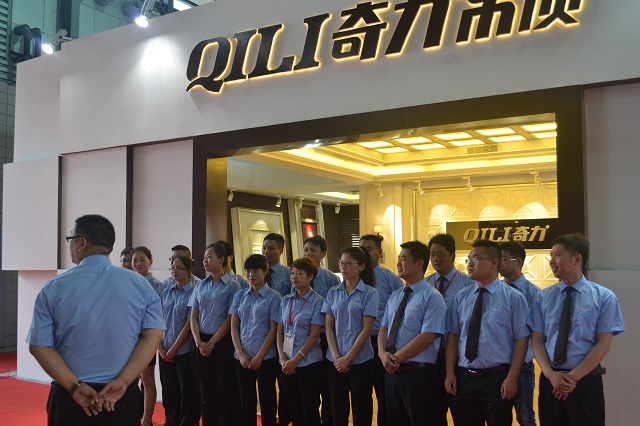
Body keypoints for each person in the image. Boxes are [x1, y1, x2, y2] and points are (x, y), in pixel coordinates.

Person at [27, 214, 164, 426]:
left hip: (70, 398)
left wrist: (74, 386)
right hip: (121, 398)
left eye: (70, 239)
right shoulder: (141, 286)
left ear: (82, 242)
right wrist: (123, 381)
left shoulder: (53, 288)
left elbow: (39, 346)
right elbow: (153, 337)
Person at [528, 234, 624, 426]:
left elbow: (603, 344)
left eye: (557, 255)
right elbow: (537, 339)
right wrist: (551, 375)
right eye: (551, 256)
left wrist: (571, 378)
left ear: (576, 258)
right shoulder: (542, 297)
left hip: (585, 381)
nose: (551, 261)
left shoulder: (604, 297)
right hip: (551, 381)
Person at [445, 239, 530, 426]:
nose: (470, 264)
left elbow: (522, 340)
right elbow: (453, 336)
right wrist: (450, 372)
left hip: (497, 378)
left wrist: (512, 378)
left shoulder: (513, 298)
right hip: (464, 378)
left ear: (493, 263)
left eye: (476, 258)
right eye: (468, 259)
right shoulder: (461, 297)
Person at [378, 241, 447, 425]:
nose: (398, 263)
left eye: (403, 259)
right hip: (392, 373)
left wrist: (396, 358)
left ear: (419, 263)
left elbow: (427, 336)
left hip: (418, 375)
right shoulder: (396, 295)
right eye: (398, 259)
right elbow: (384, 328)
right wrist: (383, 354)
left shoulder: (432, 297)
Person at [322, 247, 379, 426]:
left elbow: (366, 329)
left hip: (360, 360)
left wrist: (348, 358)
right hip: (334, 360)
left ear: (361, 266)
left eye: (348, 263)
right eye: (341, 263)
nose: (343, 267)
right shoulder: (333, 292)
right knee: (337, 407)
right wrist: (336, 356)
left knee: (361, 407)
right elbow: (328, 326)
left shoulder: (370, 293)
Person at [189, 243, 242, 426]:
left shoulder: (233, 285)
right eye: (204, 257)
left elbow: (230, 318)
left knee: (225, 392)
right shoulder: (200, 285)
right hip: (201, 342)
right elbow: (193, 317)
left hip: (222, 342)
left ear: (221, 260)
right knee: (205, 393)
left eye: (209, 257)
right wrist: (199, 341)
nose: (205, 260)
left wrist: (211, 343)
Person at [425, 233, 474, 426]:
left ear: (452, 255)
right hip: (429, 358)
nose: (435, 259)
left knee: (461, 411)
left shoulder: (468, 284)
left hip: (458, 358)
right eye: (432, 254)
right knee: (433, 412)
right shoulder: (425, 284)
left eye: (440, 254)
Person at [230, 254, 282, 426]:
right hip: (242, 356)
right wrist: (240, 353)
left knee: (267, 400)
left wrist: (259, 356)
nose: (251, 275)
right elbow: (234, 327)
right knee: (245, 400)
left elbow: (273, 329)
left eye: (255, 271)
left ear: (265, 271)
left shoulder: (274, 297)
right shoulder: (239, 296)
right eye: (248, 271)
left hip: (266, 357)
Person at [359, 234, 403, 426]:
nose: (364, 253)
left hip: (380, 341)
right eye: (361, 249)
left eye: (368, 249)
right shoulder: (353, 277)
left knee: (384, 393)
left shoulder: (390, 279)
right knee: (361, 394)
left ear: (380, 253)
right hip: (357, 344)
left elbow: (400, 311)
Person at [276, 257, 324, 426]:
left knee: (309, 410)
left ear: (310, 277)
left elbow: (314, 335)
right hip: (286, 363)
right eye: (292, 273)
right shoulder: (285, 300)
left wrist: (295, 360)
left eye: (299, 273)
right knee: (293, 408)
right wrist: (283, 358)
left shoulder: (318, 301)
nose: (294, 277)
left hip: (308, 363)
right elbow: (280, 331)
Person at [499, 241, 540, 426]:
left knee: (525, 416)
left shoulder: (535, 294)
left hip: (523, 364)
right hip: (498, 364)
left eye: (504, 259)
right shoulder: (494, 291)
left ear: (519, 262)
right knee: (498, 415)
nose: (499, 263)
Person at [303, 235, 340, 425]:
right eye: (305, 250)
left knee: (327, 385)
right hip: (303, 338)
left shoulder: (331, 279)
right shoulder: (297, 275)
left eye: (313, 250)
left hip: (325, 337)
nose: (308, 253)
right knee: (308, 385)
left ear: (323, 254)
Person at [159, 255, 197, 426]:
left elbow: (189, 324)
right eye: (173, 267)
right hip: (164, 349)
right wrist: (160, 348)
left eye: (179, 268)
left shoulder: (194, 292)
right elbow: (158, 319)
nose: (175, 271)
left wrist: (173, 349)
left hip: (183, 351)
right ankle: (171, 422)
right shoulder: (166, 290)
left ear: (189, 271)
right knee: (169, 391)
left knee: (186, 391)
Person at [262, 233, 292, 425]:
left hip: (283, 335)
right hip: (261, 335)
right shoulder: (257, 272)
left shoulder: (289, 274)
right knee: (266, 386)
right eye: (264, 247)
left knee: (285, 383)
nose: (267, 252)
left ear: (281, 250)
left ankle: (284, 420)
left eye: (272, 248)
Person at [132, 246, 163, 426]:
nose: (138, 263)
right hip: (129, 338)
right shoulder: (129, 281)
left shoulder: (155, 284)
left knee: (147, 379)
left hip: (146, 338)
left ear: (150, 261)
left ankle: (146, 419)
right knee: (130, 379)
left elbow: (156, 313)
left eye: (142, 260)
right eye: (135, 260)